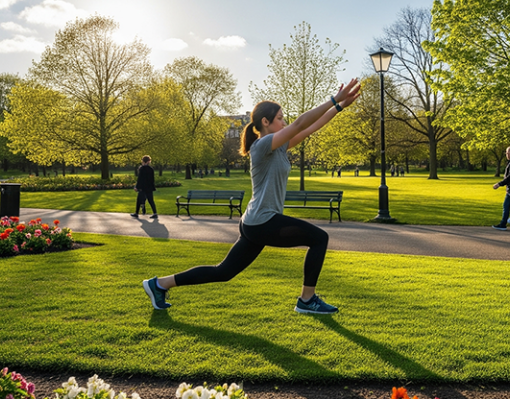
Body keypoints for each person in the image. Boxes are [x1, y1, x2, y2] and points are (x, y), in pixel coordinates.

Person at [142, 79, 361, 313]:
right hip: (263, 220)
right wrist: (333, 99)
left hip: (255, 222)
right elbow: (299, 124)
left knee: (223, 272)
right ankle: (307, 300)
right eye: (279, 118)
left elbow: (307, 129)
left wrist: (338, 108)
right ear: (265, 122)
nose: (284, 121)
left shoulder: (278, 146)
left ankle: (159, 284)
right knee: (319, 238)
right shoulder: (262, 145)